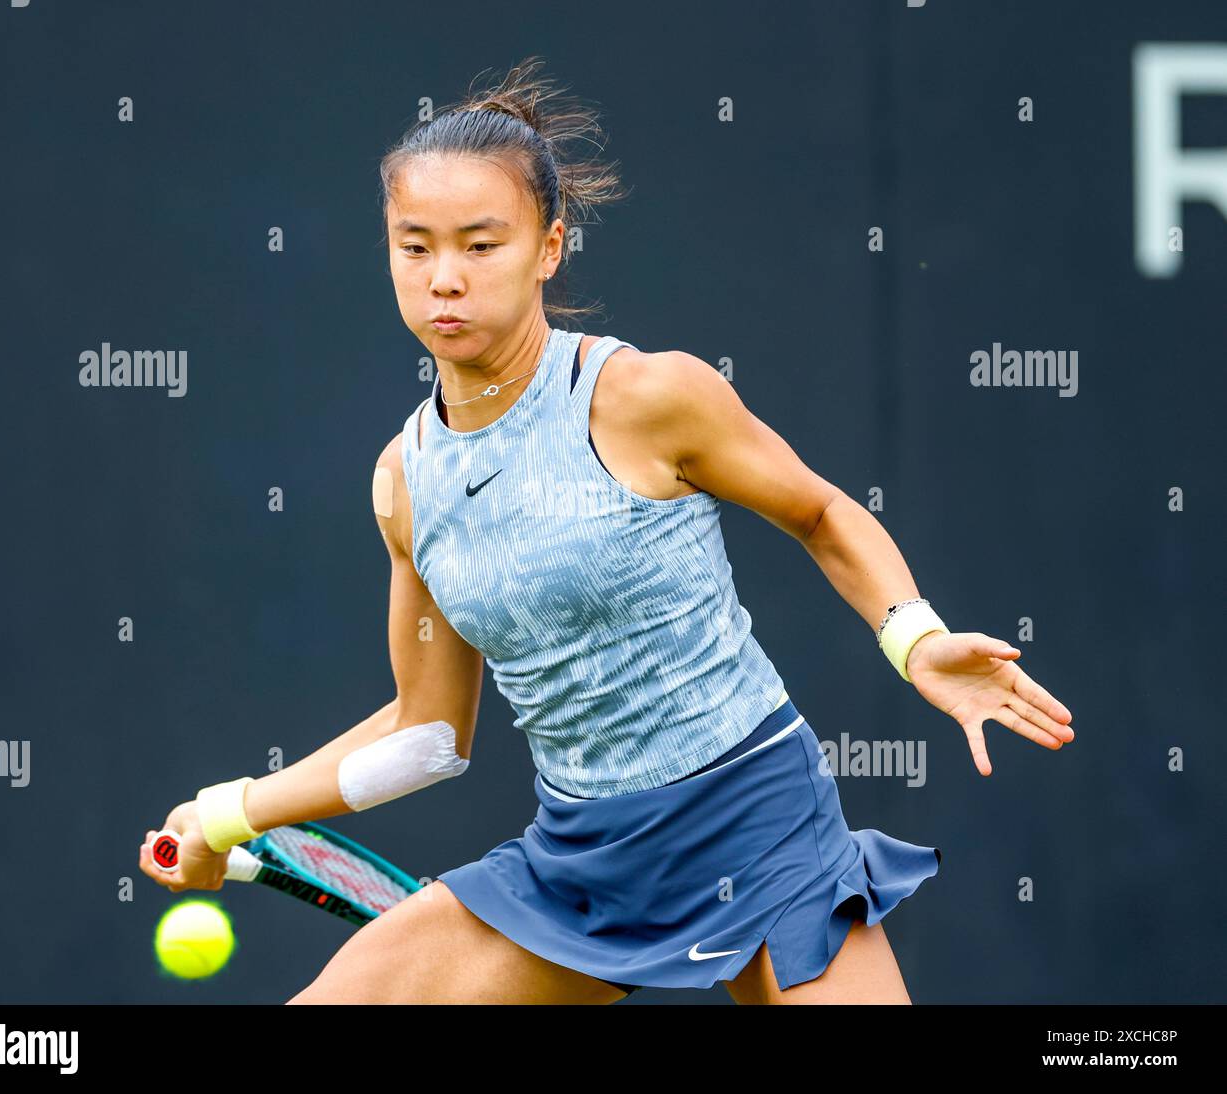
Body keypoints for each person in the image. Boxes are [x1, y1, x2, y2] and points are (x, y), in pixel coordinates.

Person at [137, 56, 1075, 1004]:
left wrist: (913, 639)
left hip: (760, 828)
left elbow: (822, 511)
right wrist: (226, 815)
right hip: (581, 868)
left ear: (549, 248)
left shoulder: (645, 396)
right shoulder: (403, 482)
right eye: (414, 247)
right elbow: (428, 735)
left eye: (480, 245)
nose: (444, 280)